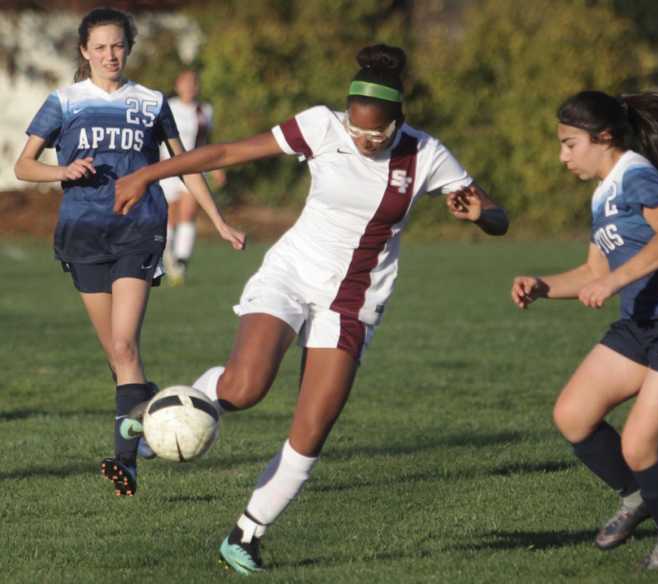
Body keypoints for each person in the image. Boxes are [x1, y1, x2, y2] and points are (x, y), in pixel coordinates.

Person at [114, 44, 508, 572]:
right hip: (291, 274)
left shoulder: (426, 156)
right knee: (244, 387)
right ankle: (153, 416)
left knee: (311, 429)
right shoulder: (322, 126)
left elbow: (496, 215)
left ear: (398, 122)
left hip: (353, 302)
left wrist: (483, 214)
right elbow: (228, 153)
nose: (365, 142)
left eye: (377, 135)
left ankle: (247, 534)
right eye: (358, 131)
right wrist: (146, 175)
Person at [14, 7, 245, 497]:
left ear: (128, 48)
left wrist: (219, 221)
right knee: (117, 357)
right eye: (99, 47)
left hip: (138, 231)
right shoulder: (65, 101)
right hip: (82, 233)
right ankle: (151, 414)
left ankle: (126, 463)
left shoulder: (151, 102)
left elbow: (186, 165)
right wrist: (63, 172)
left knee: (124, 346)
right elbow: (23, 166)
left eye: (117, 46)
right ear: (84, 51)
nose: (109, 55)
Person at [511, 90, 658, 569]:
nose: (562, 155)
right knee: (573, 414)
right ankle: (638, 494)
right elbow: (593, 272)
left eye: (570, 144)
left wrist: (616, 280)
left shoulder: (636, 175)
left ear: (602, 137)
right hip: (641, 323)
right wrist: (543, 285)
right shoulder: (603, 192)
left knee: (639, 444)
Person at [159, 69, 226, 285]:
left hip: (194, 168)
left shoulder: (204, 110)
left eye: (193, 83)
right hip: (167, 166)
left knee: (188, 213)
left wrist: (216, 167)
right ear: (178, 85)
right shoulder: (168, 106)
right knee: (170, 215)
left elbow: (206, 140)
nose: (190, 87)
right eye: (185, 83)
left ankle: (181, 261)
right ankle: (166, 254)